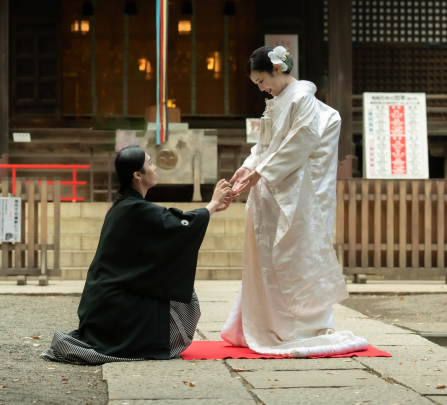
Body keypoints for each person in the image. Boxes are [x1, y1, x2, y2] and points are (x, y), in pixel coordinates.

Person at [221, 46, 368, 357]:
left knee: (293, 255)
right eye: (256, 84)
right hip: (276, 187)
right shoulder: (279, 101)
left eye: (261, 81)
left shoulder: (301, 99)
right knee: (268, 256)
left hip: (296, 190)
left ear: (277, 69)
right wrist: (250, 165)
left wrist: (260, 172)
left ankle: (298, 327)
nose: (261, 88)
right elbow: (266, 144)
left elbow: (299, 143)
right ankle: (265, 321)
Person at [41, 146, 233, 364]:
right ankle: (156, 340)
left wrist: (213, 208)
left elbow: (165, 230)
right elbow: (178, 225)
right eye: (150, 163)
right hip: (116, 309)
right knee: (178, 287)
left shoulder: (124, 206)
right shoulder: (133, 209)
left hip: (106, 304)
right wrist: (213, 203)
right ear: (137, 175)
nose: (154, 167)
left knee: (171, 278)